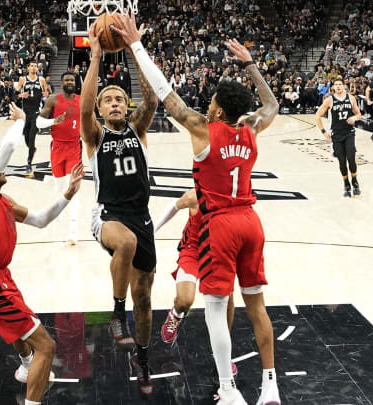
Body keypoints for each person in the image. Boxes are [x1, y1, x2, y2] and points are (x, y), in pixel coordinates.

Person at [111, 14, 281, 404]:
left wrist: (136, 44)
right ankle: (271, 385)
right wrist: (252, 66)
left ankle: (229, 389)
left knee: (216, 311)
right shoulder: (252, 127)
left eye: (213, 101)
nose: (208, 104)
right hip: (253, 222)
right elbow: (270, 103)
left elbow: (167, 94)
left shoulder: (204, 130)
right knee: (257, 308)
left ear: (219, 111)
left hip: (220, 225)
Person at [0, 103, 84, 405]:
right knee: (46, 346)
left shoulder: (5, 201)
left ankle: (27, 367)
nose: (1, 168)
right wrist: (22, 120)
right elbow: (8, 148)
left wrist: (67, 194)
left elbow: (41, 220)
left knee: (20, 328)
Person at [80, 22, 158, 396]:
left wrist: (133, 49)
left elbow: (153, 98)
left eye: (119, 100)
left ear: (127, 106)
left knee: (144, 297)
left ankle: (142, 358)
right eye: (107, 100)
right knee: (124, 244)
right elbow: (82, 109)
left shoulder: (138, 128)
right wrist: (96, 56)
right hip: (107, 214)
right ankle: (115, 312)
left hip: (143, 217)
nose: (114, 103)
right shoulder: (96, 135)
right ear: (100, 109)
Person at [153, 190, 238, 376]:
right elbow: (174, 207)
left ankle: (224, 354)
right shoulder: (195, 196)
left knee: (228, 301)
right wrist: (151, 231)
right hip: (192, 250)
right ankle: (175, 314)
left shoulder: (232, 197)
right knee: (184, 301)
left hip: (218, 253)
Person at [36, 72, 82, 244]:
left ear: (75, 83)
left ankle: (73, 230)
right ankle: (57, 213)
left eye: (72, 80)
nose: (69, 82)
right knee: (59, 185)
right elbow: (38, 123)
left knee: (74, 187)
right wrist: (53, 121)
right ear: (62, 83)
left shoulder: (81, 99)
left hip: (74, 148)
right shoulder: (53, 100)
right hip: (57, 147)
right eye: (66, 80)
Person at [316, 79, 362, 198]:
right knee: (342, 161)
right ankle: (346, 184)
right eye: (336, 85)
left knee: (351, 158)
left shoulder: (351, 98)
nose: (338, 86)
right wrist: (323, 132)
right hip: (336, 134)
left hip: (349, 132)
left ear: (343, 86)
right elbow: (317, 116)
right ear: (332, 88)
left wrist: (354, 119)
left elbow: (359, 114)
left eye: (340, 84)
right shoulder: (329, 100)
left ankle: (355, 181)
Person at [17, 61, 49, 178]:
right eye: (31, 65)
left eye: (35, 66)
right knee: (26, 137)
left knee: (31, 138)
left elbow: (46, 93)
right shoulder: (22, 79)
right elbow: (15, 95)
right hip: (25, 113)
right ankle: (32, 149)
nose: (33, 67)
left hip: (36, 112)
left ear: (37, 68)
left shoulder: (42, 80)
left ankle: (29, 163)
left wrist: (46, 94)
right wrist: (21, 95)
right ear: (28, 68)